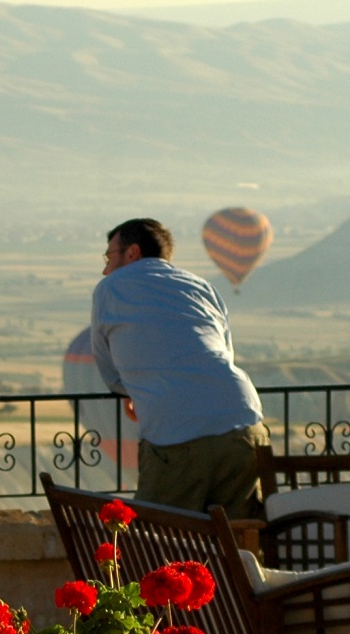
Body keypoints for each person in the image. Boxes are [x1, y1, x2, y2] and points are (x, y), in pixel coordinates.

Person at [88, 217, 269, 518]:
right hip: (243, 423)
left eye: (109, 257)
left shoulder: (110, 289)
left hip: (175, 435)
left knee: (160, 541)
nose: (106, 268)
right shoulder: (200, 286)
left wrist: (135, 390)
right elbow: (224, 353)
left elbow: (109, 370)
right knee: (240, 544)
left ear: (132, 253)